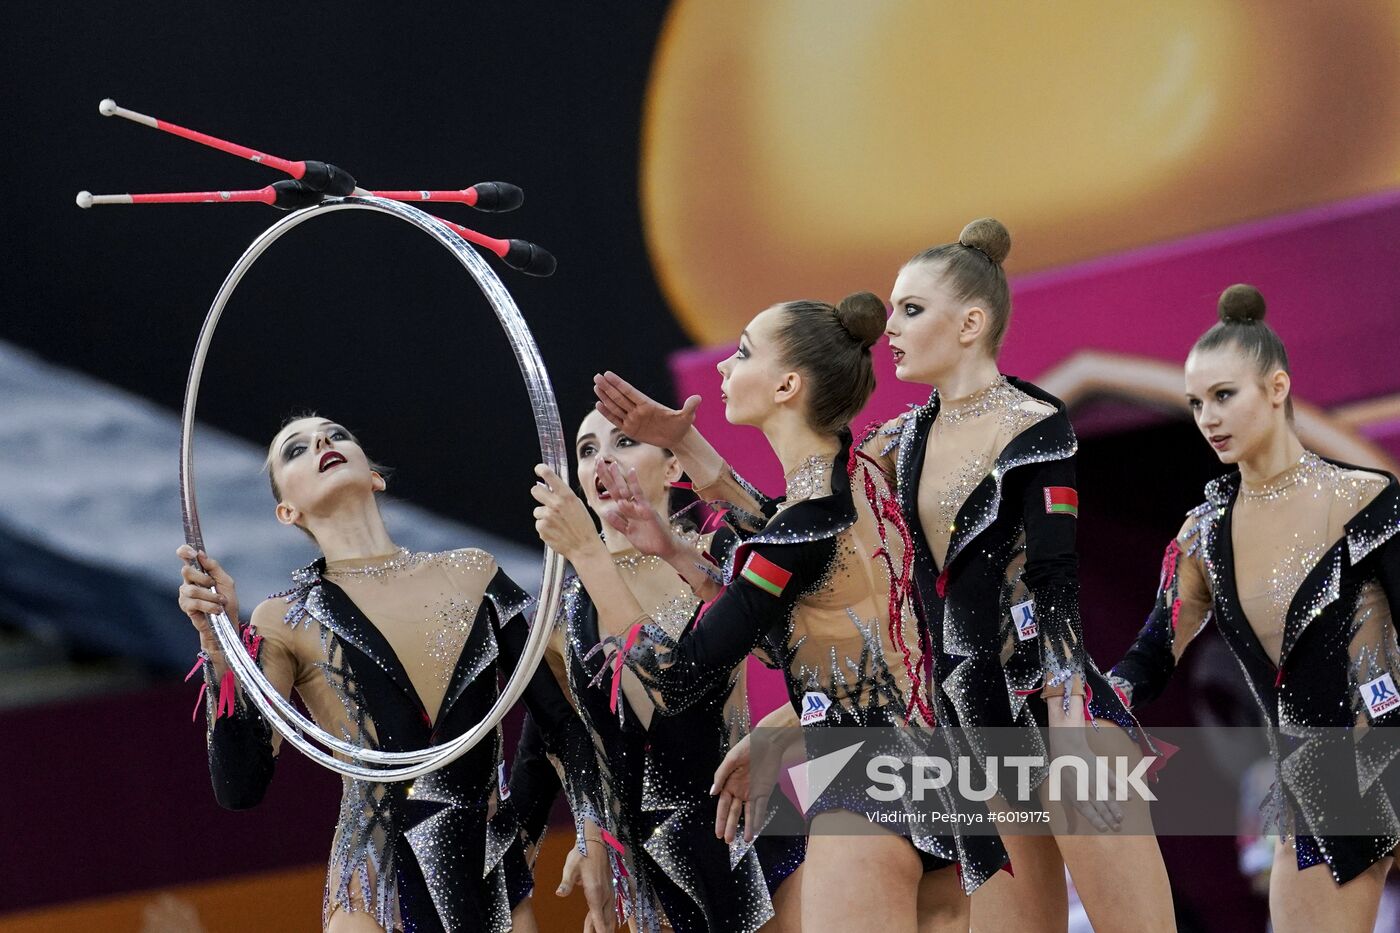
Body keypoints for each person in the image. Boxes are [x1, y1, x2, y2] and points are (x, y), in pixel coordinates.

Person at [537, 293, 991, 933]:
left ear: (786, 385)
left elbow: (681, 672)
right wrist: (676, 528)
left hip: (870, 777)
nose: (723, 368)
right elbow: (788, 609)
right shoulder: (853, 477)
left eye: (743, 352)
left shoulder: (805, 521)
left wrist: (590, 555)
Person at [176, 415, 608, 933]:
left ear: (375, 476)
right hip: (376, 893)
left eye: (336, 435)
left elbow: (559, 721)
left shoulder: (474, 573)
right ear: (286, 511)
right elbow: (240, 785)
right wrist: (217, 644)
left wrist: (592, 831)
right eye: (295, 450)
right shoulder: (286, 619)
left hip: (487, 883)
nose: (321, 443)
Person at [874, 218, 1174, 932]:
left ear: (971, 322)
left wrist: (1069, 725)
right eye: (892, 309)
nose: (891, 326)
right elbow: (810, 527)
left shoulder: (1034, 423)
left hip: (1058, 712)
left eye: (911, 309)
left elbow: (1055, 577)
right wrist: (700, 461)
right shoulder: (899, 440)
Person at [1109, 285, 1400, 933]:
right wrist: (1101, 695)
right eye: (1194, 403)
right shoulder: (1205, 533)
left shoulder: (1364, 500)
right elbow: (1155, 649)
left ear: (1276, 387)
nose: (1207, 418)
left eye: (1223, 395)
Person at [508, 408, 804, 932]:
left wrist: (780, 731)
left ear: (672, 469)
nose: (602, 459)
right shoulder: (560, 606)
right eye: (586, 450)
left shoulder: (717, 555)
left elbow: (791, 658)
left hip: (749, 834)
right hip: (649, 865)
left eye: (624, 441)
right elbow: (563, 737)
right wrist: (592, 829)